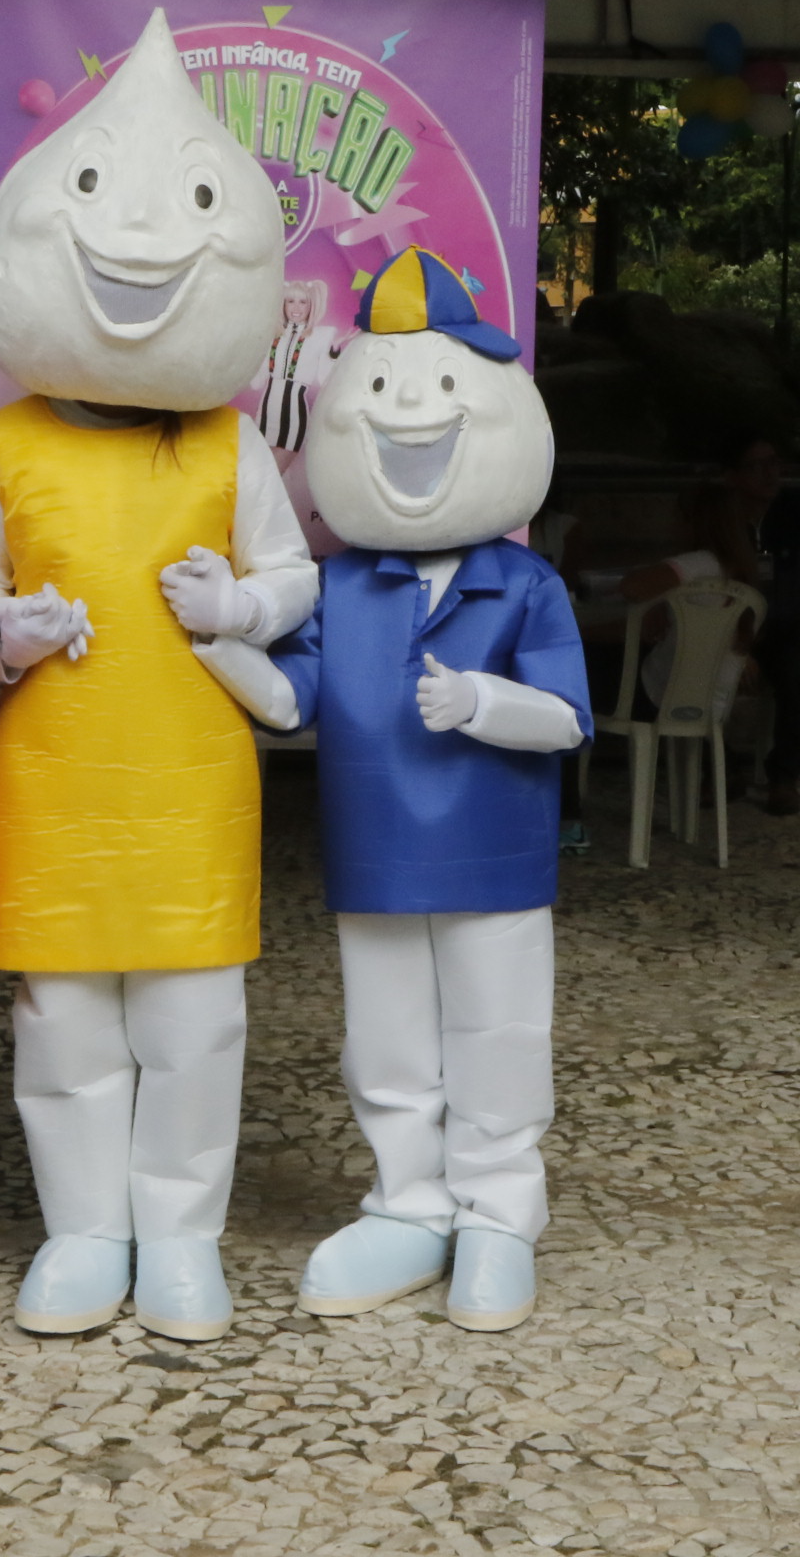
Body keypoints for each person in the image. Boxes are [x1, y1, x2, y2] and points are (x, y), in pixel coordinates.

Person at [0, 8, 317, 1343]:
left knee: (194, 1017)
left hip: (189, 781)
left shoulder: (229, 448)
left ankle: (183, 1235)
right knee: (64, 1025)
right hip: (53, 776)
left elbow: (295, 580)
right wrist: (0, 634)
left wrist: (244, 601)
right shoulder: (9, 444)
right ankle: (84, 1229)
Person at [265, 248, 591, 1334]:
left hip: (495, 855)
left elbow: (568, 718)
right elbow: (291, 698)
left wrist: (486, 704)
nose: (411, 419)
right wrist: (218, 640)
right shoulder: (342, 583)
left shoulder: (524, 582)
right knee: (387, 1038)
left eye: (443, 391)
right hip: (375, 849)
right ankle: (407, 1201)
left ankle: (499, 1210)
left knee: (497, 1031)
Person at [622, 438, 800, 815]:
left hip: (791, 625)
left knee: (796, 663)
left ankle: (784, 776)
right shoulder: (723, 518)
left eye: (774, 462)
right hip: (733, 629)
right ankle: (720, 767)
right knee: (692, 656)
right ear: (732, 477)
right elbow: (691, 579)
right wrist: (664, 607)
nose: (770, 473)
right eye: (757, 466)